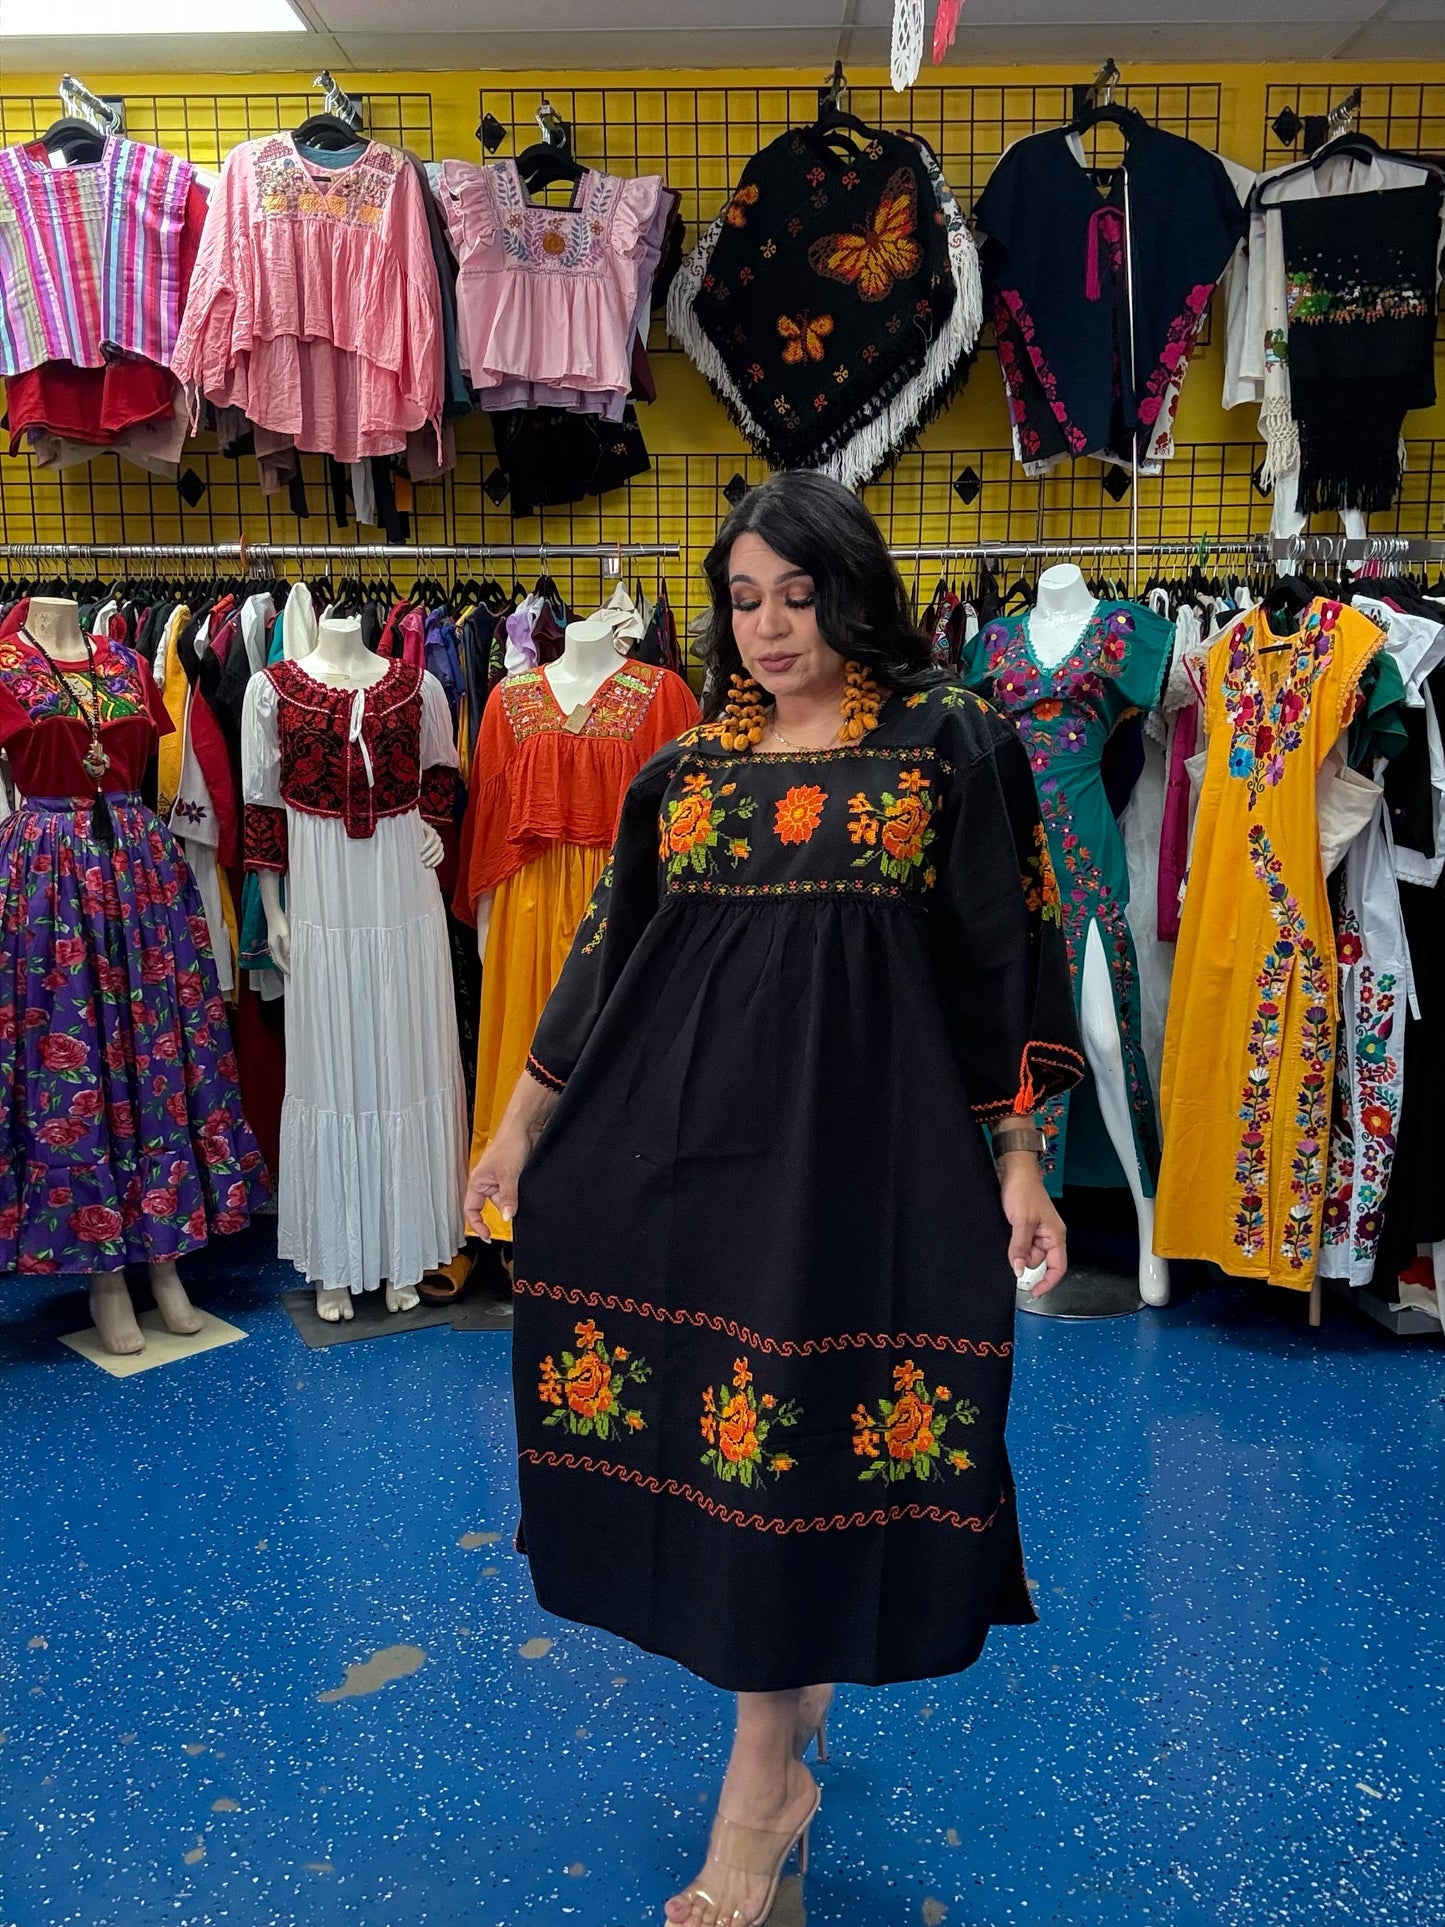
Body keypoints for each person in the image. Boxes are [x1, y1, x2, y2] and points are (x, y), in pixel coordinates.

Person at [467, 472, 1083, 1927]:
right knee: (731, 1435)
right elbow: (605, 963)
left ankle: (760, 1787)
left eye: (797, 597)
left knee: (813, 1435)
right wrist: (514, 1132)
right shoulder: (678, 775)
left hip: (867, 1164)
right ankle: (778, 1731)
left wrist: (1014, 1160)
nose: (768, 629)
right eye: (743, 600)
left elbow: (1004, 959)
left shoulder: (949, 747)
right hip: (684, 1162)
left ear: (850, 590)